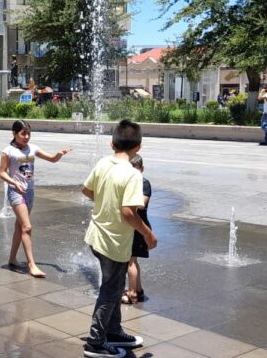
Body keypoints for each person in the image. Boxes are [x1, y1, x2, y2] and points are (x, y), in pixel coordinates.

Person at [81, 119, 157, 358]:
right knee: (111, 291)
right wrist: (148, 233)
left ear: (112, 143)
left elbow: (86, 190)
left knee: (113, 287)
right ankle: (95, 342)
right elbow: (128, 212)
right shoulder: (133, 175)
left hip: (97, 235)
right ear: (140, 146)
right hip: (114, 242)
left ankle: (113, 331)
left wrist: (105, 202)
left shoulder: (104, 162)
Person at [0, 120, 72, 278]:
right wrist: (14, 182)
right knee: (27, 227)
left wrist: (59, 154)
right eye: (23, 133)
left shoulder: (33, 148)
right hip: (15, 192)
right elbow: (2, 173)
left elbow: (52, 158)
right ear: (14, 133)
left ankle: (12, 259)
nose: (26, 137)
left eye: (28, 133)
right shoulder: (8, 151)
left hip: (29, 192)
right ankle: (32, 265)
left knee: (20, 226)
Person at [121, 154, 152, 305]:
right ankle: (138, 290)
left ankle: (132, 292)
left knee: (130, 261)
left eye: (136, 170)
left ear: (142, 169)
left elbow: (142, 203)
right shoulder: (130, 183)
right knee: (132, 259)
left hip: (139, 226)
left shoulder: (143, 183)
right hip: (133, 225)